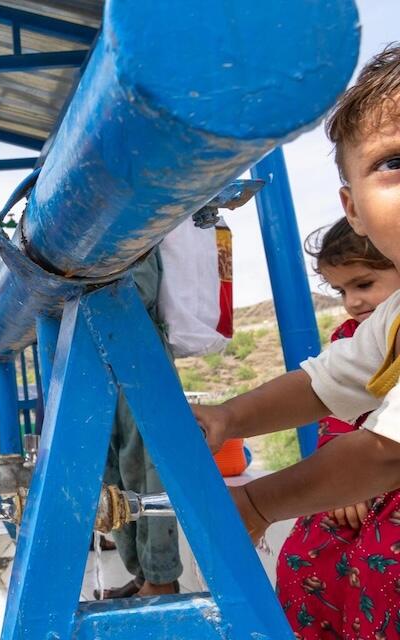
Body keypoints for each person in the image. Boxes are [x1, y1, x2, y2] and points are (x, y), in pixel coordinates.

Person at [193, 45, 400, 638]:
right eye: (395, 161)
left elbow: (385, 452)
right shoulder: (391, 319)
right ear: (352, 208)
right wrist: (229, 416)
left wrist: (257, 505)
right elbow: (323, 381)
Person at [274, 218, 400, 637]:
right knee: (303, 556)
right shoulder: (350, 337)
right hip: (351, 476)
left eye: (363, 284)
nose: (352, 302)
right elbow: (332, 408)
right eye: (342, 291)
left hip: (386, 472)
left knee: (378, 567)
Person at [98, 249, 183, 598]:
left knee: (146, 467)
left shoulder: (132, 211)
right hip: (97, 350)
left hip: (138, 348)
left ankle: (161, 578)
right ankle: (141, 573)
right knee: (112, 469)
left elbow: (139, 290)